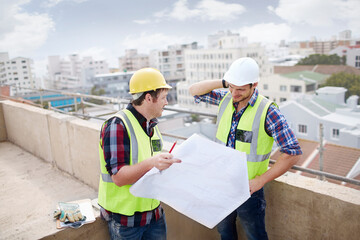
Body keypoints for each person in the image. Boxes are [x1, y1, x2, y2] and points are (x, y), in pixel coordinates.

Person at [189, 57, 302, 240]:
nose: (234, 93)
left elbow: (292, 152)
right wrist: (226, 82)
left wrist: (260, 181)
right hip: (222, 184)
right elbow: (194, 91)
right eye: (232, 87)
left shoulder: (268, 111)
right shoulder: (226, 98)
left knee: (255, 236)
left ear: (254, 85)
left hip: (249, 190)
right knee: (225, 232)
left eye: (240, 89)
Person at [98, 68, 181, 240]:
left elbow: (150, 161)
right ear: (149, 97)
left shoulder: (152, 125)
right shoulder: (117, 126)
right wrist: (153, 163)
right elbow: (119, 177)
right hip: (127, 222)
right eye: (164, 97)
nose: (167, 102)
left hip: (154, 215)